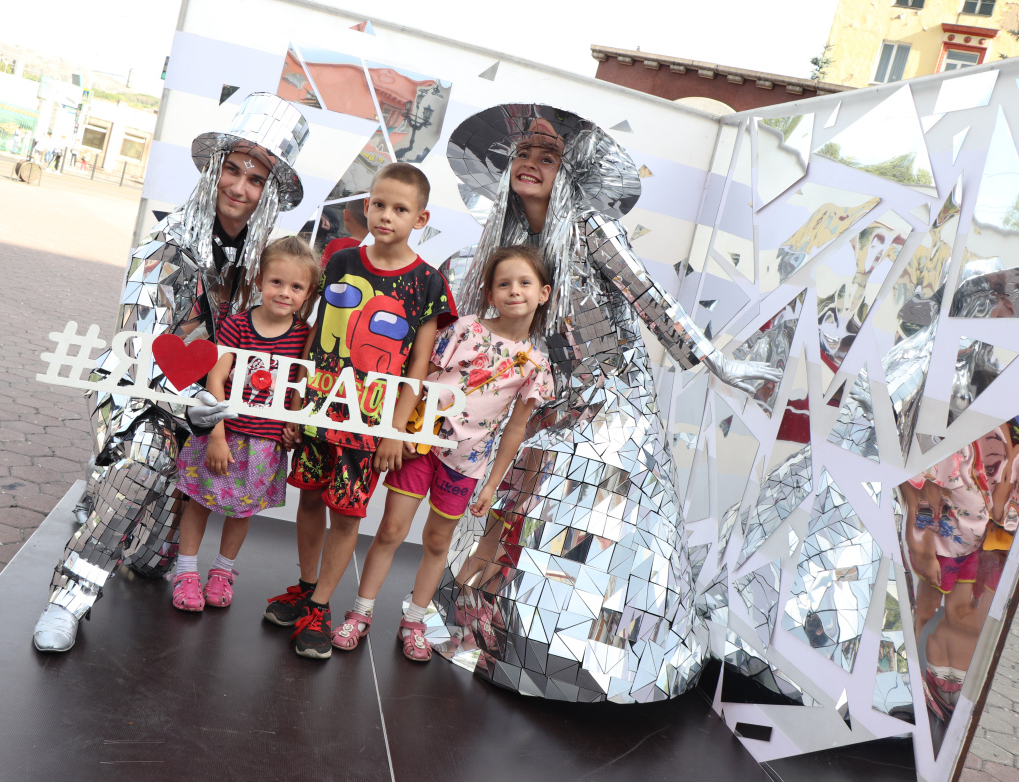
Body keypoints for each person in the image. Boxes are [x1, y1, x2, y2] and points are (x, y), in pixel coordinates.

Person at [432, 104, 781, 702]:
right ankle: (492, 630)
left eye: (548, 157)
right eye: (523, 155)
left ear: (568, 173)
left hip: (612, 392)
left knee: (606, 514)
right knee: (521, 500)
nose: (532, 166)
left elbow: (648, 297)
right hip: (543, 391)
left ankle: (610, 654)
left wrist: (715, 360)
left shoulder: (591, 227)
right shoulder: (509, 235)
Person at [32, 93, 310, 653]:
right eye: (232, 169)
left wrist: (277, 414)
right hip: (136, 396)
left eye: (256, 180)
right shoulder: (162, 246)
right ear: (212, 170)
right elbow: (138, 349)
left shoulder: (265, 270)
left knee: (154, 560)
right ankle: (68, 598)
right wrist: (190, 408)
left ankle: (108, 504)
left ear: (268, 196)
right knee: (143, 463)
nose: (239, 187)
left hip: (210, 416)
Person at [264, 162, 457, 660]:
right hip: (318, 405)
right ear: (365, 205)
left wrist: (396, 429)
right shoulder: (339, 259)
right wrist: (295, 401)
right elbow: (314, 330)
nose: (385, 215)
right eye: (378, 204)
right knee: (307, 498)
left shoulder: (428, 282)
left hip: (368, 420)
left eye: (399, 208)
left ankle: (323, 608)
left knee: (346, 513)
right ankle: (307, 589)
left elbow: (419, 364)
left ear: (421, 218)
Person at [335, 244, 554, 661]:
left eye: (524, 283)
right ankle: (360, 612)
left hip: (467, 463)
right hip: (420, 446)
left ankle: (415, 620)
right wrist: (397, 432)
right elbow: (422, 377)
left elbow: (515, 429)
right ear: (490, 294)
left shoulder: (535, 365)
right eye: (503, 283)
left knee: (437, 542)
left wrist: (492, 483)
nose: (514, 291)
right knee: (391, 531)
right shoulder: (464, 329)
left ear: (542, 293)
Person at [171, 236, 319, 611]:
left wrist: (292, 423)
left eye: (296, 287)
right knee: (199, 502)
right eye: (276, 282)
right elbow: (215, 381)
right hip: (225, 435)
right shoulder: (237, 327)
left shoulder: (303, 337)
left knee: (242, 511)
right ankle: (186, 571)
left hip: (264, 445)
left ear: (308, 293)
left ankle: (222, 571)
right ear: (259, 281)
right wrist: (217, 435)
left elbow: (297, 385)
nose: (284, 293)